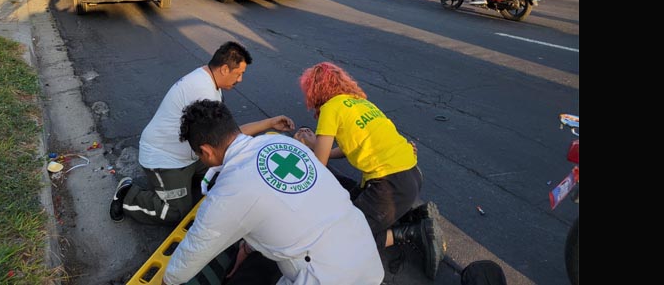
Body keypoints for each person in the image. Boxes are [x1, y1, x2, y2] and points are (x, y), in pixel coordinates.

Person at [162, 100, 384, 285]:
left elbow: (193, 250)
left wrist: (168, 280)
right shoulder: (280, 143)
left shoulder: (229, 191)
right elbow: (284, 203)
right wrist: (248, 247)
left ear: (206, 151)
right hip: (365, 253)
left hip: (326, 276)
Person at [110, 41, 296, 225]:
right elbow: (228, 138)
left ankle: (188, 179)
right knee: (176, 212)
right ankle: (128, 195)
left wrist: (270, 123)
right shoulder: (202, 92)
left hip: (191, 153)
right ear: (224, 69)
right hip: (164, 159)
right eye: (239, 74)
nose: (240, 80)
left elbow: (228, 133)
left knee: (224, 175)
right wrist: (267, 125)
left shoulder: (207, 78)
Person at [292, 62, 445, 279]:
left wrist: (304, 146)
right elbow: (347, 149)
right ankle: (410, 215)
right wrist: (314, 143)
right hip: (410, 175)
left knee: (347, 238)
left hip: (389, 187)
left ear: (315, 91)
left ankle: (410, 233)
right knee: (348, 206)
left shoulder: (330, 108)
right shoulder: (360, 103)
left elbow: (320, 165)